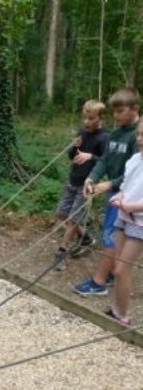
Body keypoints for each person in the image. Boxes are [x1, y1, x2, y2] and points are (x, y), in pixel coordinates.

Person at [74, 87, 140, 295]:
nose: (116, 116)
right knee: (112, 235)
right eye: (114, 112)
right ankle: (111, 271)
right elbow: (104, 160)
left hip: (127, 197)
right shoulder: (115, 134)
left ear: (135, 109)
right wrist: (92, 178)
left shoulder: (137, 136)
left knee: (111, 236)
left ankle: (99, 282)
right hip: (113, 194)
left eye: (120, 111)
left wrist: (110, 184)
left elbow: (134, 173)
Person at [54, 100, 108, 270]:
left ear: (100, 118)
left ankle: (61, 252)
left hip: (86, 185)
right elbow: (71, 156)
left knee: (73, 219)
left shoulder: (104, 137)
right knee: (61, 214)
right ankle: (85, 237)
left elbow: (106, 162)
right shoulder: (82, 132)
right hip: (73, 179)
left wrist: (91, 156)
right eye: (84, 118)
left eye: (91, 118)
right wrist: (74, 146)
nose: (86, 122)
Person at [105, 117, 143, 324]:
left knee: (122, 270)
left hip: (139, 223)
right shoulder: (134, 159)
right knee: (117, 267)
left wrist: (133, 207)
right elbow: (125, 187)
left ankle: (123, 316)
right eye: (139, 134)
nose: (140, 139)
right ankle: (116, 309)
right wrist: (119, 197)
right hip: (123, 217)